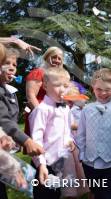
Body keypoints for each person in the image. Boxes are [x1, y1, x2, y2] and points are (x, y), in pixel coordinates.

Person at [0, 45, 44, 199]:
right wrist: (26, 141)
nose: (12, 68)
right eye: (7, 63)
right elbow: (3, 120)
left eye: (14, 64)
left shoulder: (7, 91)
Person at [75, 68, 111, 199]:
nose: (103, 93)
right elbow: (81, 134)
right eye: (99, 89)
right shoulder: (87, 109)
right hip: (89, 162)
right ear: (93, 88)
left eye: (107, 89)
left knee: (108, 194)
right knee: (95, 192)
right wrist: (82, 155)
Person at [29, 67, 75, 199]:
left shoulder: (65, 108)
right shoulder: (42, 110)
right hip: (45, 163)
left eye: (65, 86)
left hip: (59, 161)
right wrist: (41, 164)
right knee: (44, 195)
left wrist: (71, 140)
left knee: (56, 193)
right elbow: (36, 140)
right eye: (57, 85)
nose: (62, 89)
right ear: (45, 86)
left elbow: (67, 130)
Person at [25, 46, 64, 136]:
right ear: (47, 57)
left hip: (54, 115)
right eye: (54, 57)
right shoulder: (38, 73)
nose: (57, 60)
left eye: (59, 59)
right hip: (39, 115)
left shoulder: (58, 78)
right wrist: (41, 116)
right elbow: (31, 96)